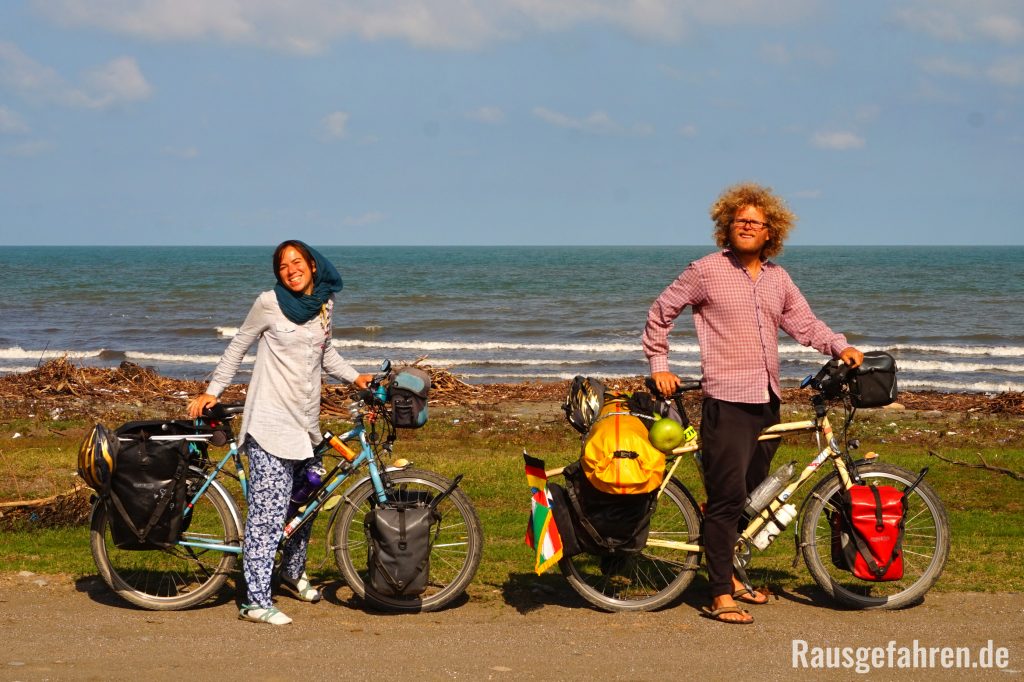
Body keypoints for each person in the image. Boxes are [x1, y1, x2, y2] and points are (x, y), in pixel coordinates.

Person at [642, 182, 863, 624]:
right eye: (740, 220)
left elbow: (804, 323)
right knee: (726, 499)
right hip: (726, 400)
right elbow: (660, 312)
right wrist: (659, 365)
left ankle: (730, 574)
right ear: (728, 226)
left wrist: (839, 347)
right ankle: (719, 594)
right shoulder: (705, 270)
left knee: (749, 499)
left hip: (767, 401)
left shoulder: (778, 278)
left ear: (769, 233)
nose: (747, 225)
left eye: (756, 222)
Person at [188, 240, 371, 625]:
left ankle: (290, 572)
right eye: (283, 265)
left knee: (304, 508)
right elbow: (238, 346)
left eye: (297, 262)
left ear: (313, 266)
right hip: (271, 423)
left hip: (306, 426)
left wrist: (358, 379)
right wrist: (212, 391)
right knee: (267, 516)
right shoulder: (268, 302)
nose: (291, 269)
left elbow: (326, 353)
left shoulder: (324, 304)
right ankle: (254, 600)